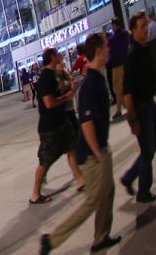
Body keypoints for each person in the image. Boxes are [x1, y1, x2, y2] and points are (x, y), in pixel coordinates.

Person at [40, 34, 121, 254]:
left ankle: (101, 237)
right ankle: (52, 240)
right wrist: (98, 153)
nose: (109, 49)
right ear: (98, 51)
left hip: (99, 149)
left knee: (107, 193)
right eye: (106, 46)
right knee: (92, 201)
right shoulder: (91, 83)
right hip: (93, 155)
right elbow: (86, 125)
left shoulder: (96, 77)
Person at [122, 11, 156, 204]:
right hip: (141, 108)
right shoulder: (132, 59)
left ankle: (130, 176)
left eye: (145, 26)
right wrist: (133, 119)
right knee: (147, 151)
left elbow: (151, 79)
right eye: (141, 27)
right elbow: (127, 93)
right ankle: (143, 192)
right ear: (132, 31)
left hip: (150, 103)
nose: (145, 29)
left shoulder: (146, 50)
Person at [30, 48, 84, 204]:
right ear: (52, 57)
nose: (60, 56)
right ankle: (35, 194)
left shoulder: (54, 75)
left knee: (72, 147)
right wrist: (66, 97)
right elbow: (48, 103)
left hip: (62, 121)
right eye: (58, 54)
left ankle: (80, 178)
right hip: (50, 127)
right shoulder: (46, 78)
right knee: (45, 161)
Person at [107, 18, 131, 119]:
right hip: (126, 62)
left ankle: (119, 110)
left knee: (118, 89)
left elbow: (109, 52)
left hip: (117, 65)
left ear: (114, 25)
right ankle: (129, 106)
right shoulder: (126, 34)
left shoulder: (112, 40)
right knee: (127, 85)